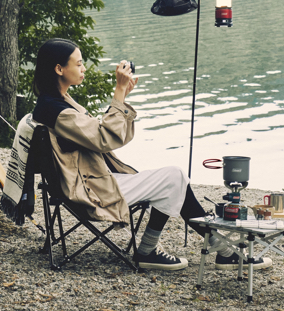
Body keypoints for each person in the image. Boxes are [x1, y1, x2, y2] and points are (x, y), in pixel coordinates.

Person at [28, 38, 271, 271]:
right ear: (59, 69)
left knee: (175, 180)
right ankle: (171, 251)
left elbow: (101, 136)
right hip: (89, 191)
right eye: (78, 63)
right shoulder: (58, 110)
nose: (83, 68)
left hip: (88, 181)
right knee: (174, 177)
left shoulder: (54, 102)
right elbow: (105, 139)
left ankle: (220, 251)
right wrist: (119, 91)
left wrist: (122, 99)